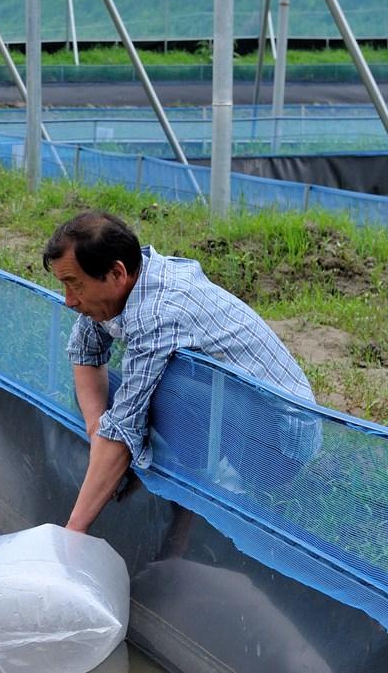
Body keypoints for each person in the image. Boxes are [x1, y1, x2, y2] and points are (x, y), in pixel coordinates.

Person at [43, 210, 317, 533]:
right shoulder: (122, 287)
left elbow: (125, 423)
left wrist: (72, 532)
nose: (68, 301)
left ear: (116, 273)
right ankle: (144, 470)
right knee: (108, 401)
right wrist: (96, 433)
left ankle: (206, 500)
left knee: (165, 394)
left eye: (74, 285)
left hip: (278, 448)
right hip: (220, 404)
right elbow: (86, 354)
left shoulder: (157, 311)